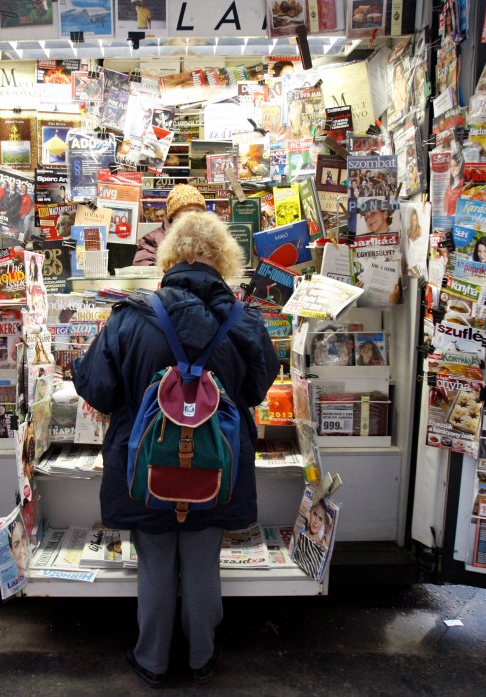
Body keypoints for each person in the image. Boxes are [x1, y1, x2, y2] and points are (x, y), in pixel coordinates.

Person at [73, 211, 279, 687]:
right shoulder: (244, 319)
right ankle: (202, 657)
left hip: (147, 468)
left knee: (156, 561)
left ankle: (152, 661)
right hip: (217, 466)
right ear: (223, 259)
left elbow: (97, 390)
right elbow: (257, 390)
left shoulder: (131, 316)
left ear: (169, 257)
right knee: (204, 560)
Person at [133, 184, 207, 266]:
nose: (194, 215)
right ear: (173, 214)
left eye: (198, 211)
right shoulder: (152, 239)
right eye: (188, 210)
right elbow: (143, 268)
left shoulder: (210, 238)